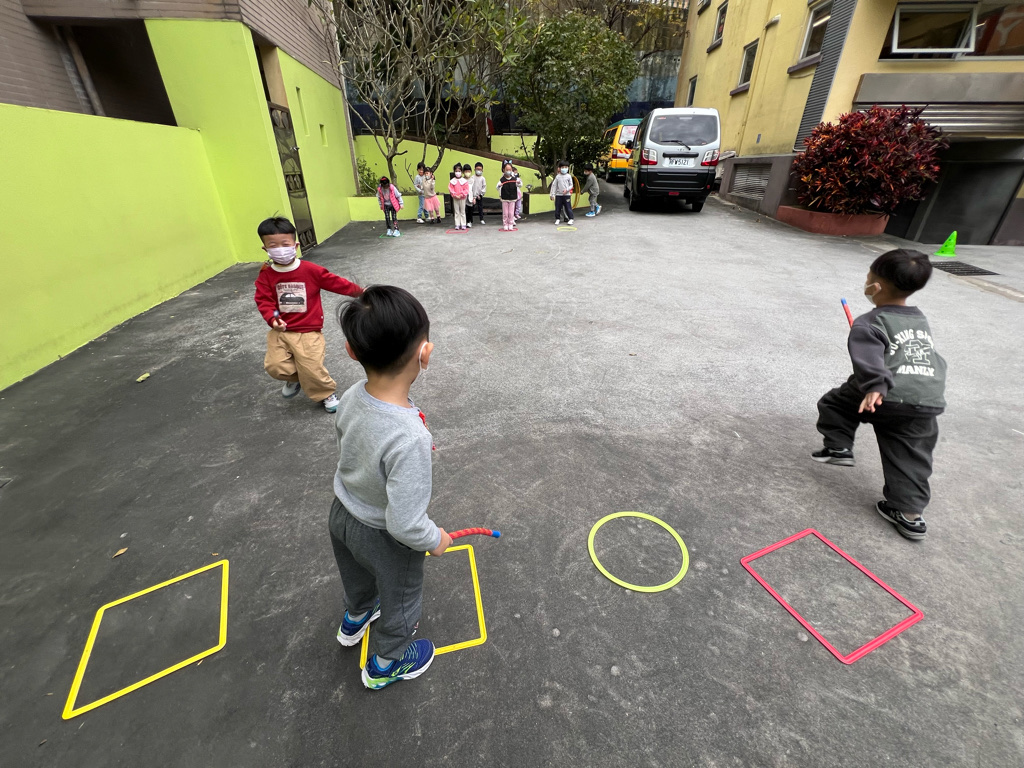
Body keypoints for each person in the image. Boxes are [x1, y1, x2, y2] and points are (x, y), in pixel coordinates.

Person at [330, 285, 453, 690]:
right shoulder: (410, 437)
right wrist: (434, 539)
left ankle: (356, 617)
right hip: (383, 537)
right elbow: (405, 524)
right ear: (425, 354)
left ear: (351, 351)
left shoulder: (351, 396)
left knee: (355, 574)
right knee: (401, 599)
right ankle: (387, 662)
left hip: (342, 514)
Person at [812, 249, 947, 541]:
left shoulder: (868, 322)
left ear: (874, 287)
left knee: (835, 404)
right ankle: (910, 516)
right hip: (926, 398)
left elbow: (870, 360)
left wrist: (875, 385)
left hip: (884, 392)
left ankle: (838, 448)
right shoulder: (919, 319)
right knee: (911, 454)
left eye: (868, 277)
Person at [253, 217, 363, 414]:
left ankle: (326, 394)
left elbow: (335, 282)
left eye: (285, 244)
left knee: (311, 367)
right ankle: (296, 379)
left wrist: (361, 292)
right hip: (281, 330)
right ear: (265, 249)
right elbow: (264, 300)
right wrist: (273, 318)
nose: (280, 249)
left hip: (308, 331)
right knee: (275, 366)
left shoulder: (310, 270)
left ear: (295, 245)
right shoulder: (266, 275)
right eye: (273, 246)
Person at [497, 161, 521, 230]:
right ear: (503, 170)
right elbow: (497, 187)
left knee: (511, 213)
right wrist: (499, 186)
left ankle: (510, 224)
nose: (508, 171)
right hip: (505, 198)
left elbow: (520, 185)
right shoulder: (502, 179)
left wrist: (519, 183)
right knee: (505, 213)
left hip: (512, 198)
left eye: (510, 170)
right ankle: (505, 224)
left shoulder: (514, 179)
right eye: (507, 170)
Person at [550, 160, 574, 226]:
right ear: (559, 168)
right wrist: (552, 194)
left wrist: (567, 190)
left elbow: (571, 185)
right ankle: (557, 219)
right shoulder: (557, 177)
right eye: (562, 167)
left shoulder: (569, 176)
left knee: (568, 207)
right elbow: (554, 185)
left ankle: (571, 218)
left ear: (568, 168)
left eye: (566, 167)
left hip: (567, 195)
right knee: (558, 207)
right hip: (558, 195)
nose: (564, 169)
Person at [448, 162, 471, 230]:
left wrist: (462, 194)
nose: (457, 173)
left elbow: (466, 189)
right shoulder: (452, 181)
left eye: (459, 171)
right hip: (455, 198)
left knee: (462, 211)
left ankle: (463, 224)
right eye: (456, 171)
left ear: (461, 172)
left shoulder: (464, 181)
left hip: (462, 198)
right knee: (457, 211)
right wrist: (455, 195)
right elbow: (450, 189)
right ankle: (457, 224)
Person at [469, 161, 487, 226]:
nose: (479, 171)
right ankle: (470, 220)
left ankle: (481, 219)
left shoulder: (483, 178)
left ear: (482, 170)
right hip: (472, 196)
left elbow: (484, 187)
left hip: (480, 196)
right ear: (474, 169)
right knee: (471, 208)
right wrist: (473, 196)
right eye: (477, 169)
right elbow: (470, 187)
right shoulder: (472, 178)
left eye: (480, 169)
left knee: (480, 208)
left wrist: (481, 194)